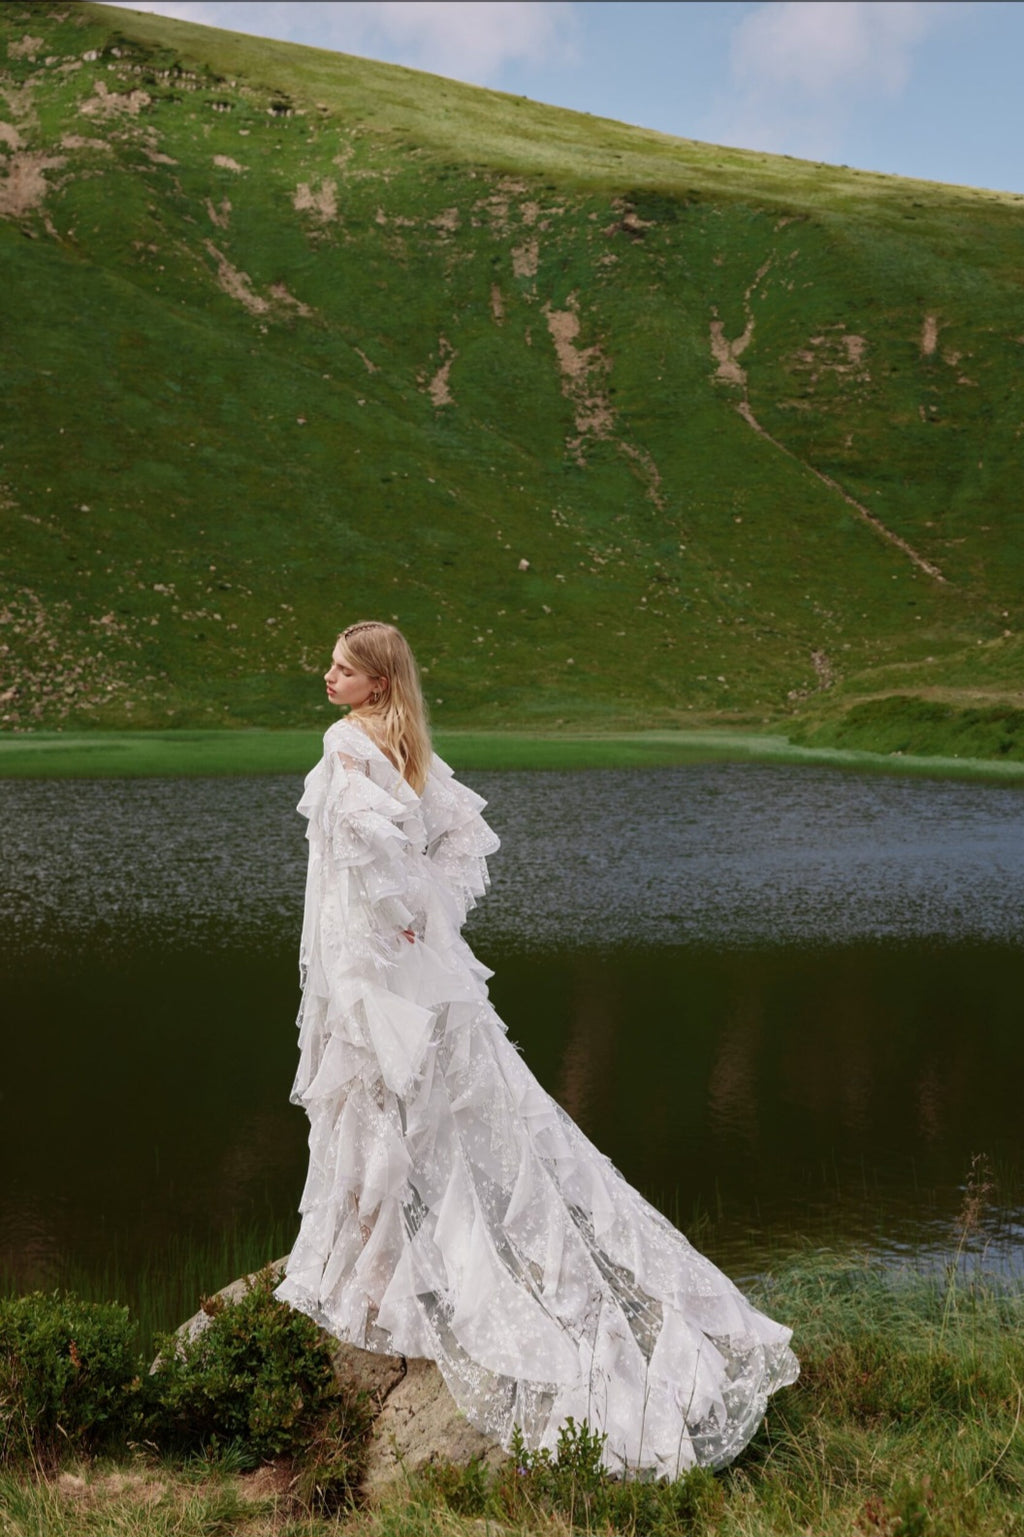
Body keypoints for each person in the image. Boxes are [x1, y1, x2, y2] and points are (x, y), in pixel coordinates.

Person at [275, 620, 798, 1477]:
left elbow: (376, 855)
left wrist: (405, 923)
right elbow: (452, 840)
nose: (326, 676)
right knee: (447, 1118)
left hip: (383, 978)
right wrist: (425, 921)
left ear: (377, 683)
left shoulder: (345, 746)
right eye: (330, 662)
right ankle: (391, 1270)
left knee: (384, 1110)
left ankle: (376, 1282)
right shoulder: (406, 750)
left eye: (342, 667)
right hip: (417, 973)